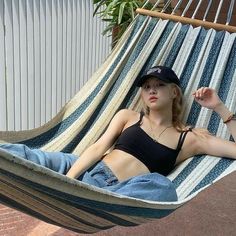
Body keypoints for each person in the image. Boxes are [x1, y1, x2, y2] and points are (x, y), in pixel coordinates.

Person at [1, 66, 236, 202]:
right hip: (83, 169)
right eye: (146, 87)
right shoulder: (129, 116)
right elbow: (97, 147)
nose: (151, 89)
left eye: (159, 84)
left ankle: (90, 198)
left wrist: (219, 107)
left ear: (175, 92)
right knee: (25, 154)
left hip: (116, 193)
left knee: (164, 187)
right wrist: (69, 181)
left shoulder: (191, 138)